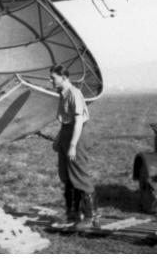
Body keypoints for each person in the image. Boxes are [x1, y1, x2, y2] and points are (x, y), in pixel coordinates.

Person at [50, 65, 98, 228]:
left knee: (80, 176)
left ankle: (90, 218)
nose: (51, 81)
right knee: (66, 176)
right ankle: (73, 214)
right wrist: (59, 139)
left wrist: (72, 146)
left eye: (53, 77)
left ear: (64, 77)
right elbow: (66, 121)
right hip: (66, 133)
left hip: (76, 136)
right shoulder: (62, 94)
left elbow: (78, 122)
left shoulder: (74, 94)